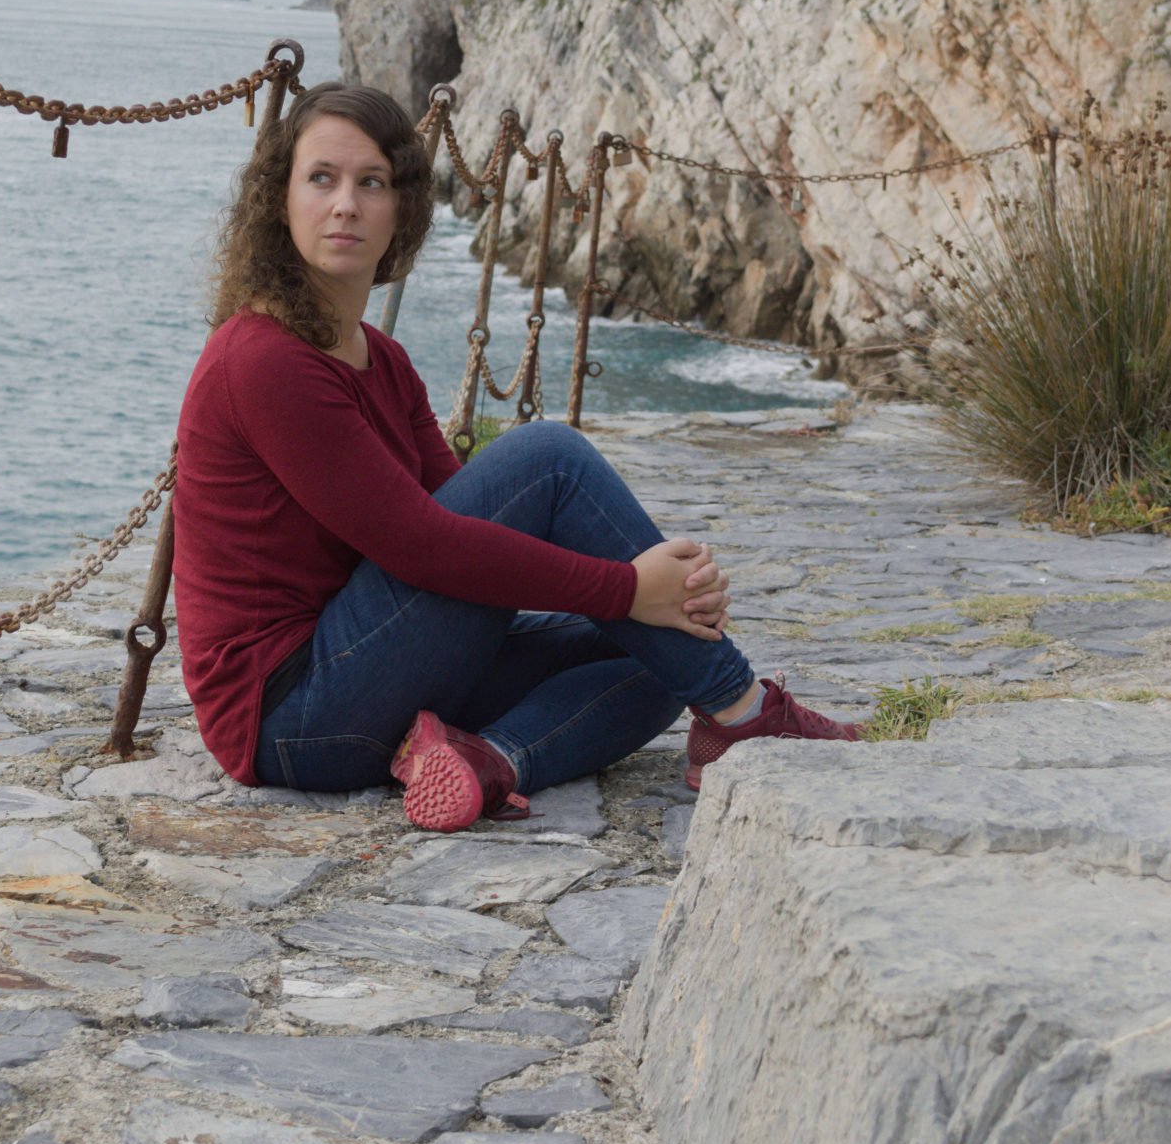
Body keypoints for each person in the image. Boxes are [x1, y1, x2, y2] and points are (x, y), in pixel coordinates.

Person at [172, 83, 858, 830]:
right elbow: (423, 544)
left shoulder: (384, 360)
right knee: (547, 457)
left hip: (373, 674)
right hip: (293, 715)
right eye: (321, 179)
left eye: (371, 183)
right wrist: (627, 587)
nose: (345, 205)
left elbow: (463, 512)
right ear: (279, 200)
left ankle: (490, 761)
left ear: (401, 207)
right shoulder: (262, 360)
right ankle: (744, 708)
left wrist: (655, 603)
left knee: (660, 655)